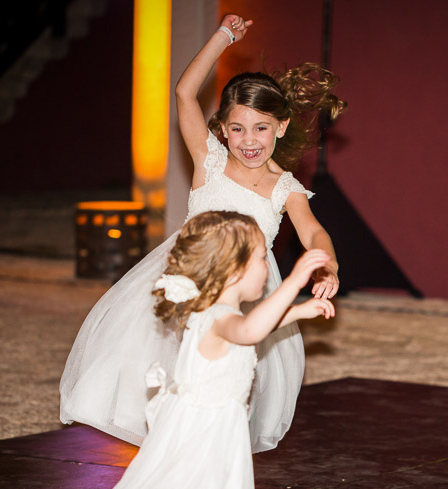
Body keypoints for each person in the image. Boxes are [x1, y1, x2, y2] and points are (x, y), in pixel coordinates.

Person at [42, 210, 335, 489]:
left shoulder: (219, 311)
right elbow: (251, 329)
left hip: (215, 434)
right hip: (198, 436)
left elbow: (254, 327)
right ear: (232, 271)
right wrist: (294, 282)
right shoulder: (218, 317)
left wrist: (297, 312)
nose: (265, 268)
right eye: (259, 260)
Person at [59, 13, 345, 453]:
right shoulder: (208, 160)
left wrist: (326, 266)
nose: (249, 140)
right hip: (187, 271)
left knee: (224, 367)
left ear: (281, 127)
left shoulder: (284, 188)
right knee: (164, 356)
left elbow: (315, 233)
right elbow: (184, 92)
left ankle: (208, 444)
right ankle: (162, 440)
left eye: (261, 128)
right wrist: (223, 37)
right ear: (223, 130)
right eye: (237, 128)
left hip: (242, 286)